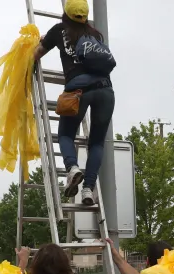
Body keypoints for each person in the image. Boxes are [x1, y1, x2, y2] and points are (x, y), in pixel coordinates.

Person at [33, 0, 115, 206]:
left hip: (77, 89)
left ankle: (72, 168)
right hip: (106, 90)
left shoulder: (60, 30)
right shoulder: (96, 35)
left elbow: (36, 54)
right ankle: (88, 189)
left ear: (66, 14)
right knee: (96, 142)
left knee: (66, 134)